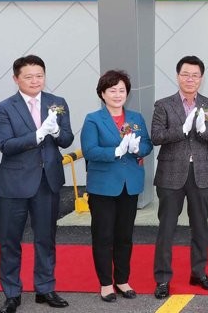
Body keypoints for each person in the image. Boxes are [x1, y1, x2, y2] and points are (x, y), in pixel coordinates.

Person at [0, 55, 74, 312]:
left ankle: (45, 288)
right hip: (13, 184)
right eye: (28, 76)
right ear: (16, 79)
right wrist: (39, 134)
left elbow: (67, 139)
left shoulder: (57, 102)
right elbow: (6, 145)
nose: (35, 80)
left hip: (47, 182)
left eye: (39, 75)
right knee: (10, 241)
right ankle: (12, 293)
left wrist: (56, 131)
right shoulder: (3, 108)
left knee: (46, 238)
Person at [150, 56, 208, 299]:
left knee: (200, 226)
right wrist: (181, 130)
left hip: (201, 173)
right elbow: (156, 136)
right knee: (167, 228)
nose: (190, 79)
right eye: (185, 74)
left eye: (195, 75)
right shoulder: (164, 105)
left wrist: (203, 130)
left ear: (201, 78)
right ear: (177, 76)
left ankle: (199, 273)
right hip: (170, 174)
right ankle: (162, 279)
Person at [80, 70, 153, 302]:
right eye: (112, 90)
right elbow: (90, 150)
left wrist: (137, 149)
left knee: (124, 236)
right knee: (103, 236)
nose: (118, 94)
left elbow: (148, 144)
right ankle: (105, 283)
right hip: (103, 186)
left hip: (129, 185)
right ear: (102, 94)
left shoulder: (136, 118)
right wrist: (116, 151)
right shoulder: (93, 119)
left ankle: (122, 280)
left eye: (122, 90)